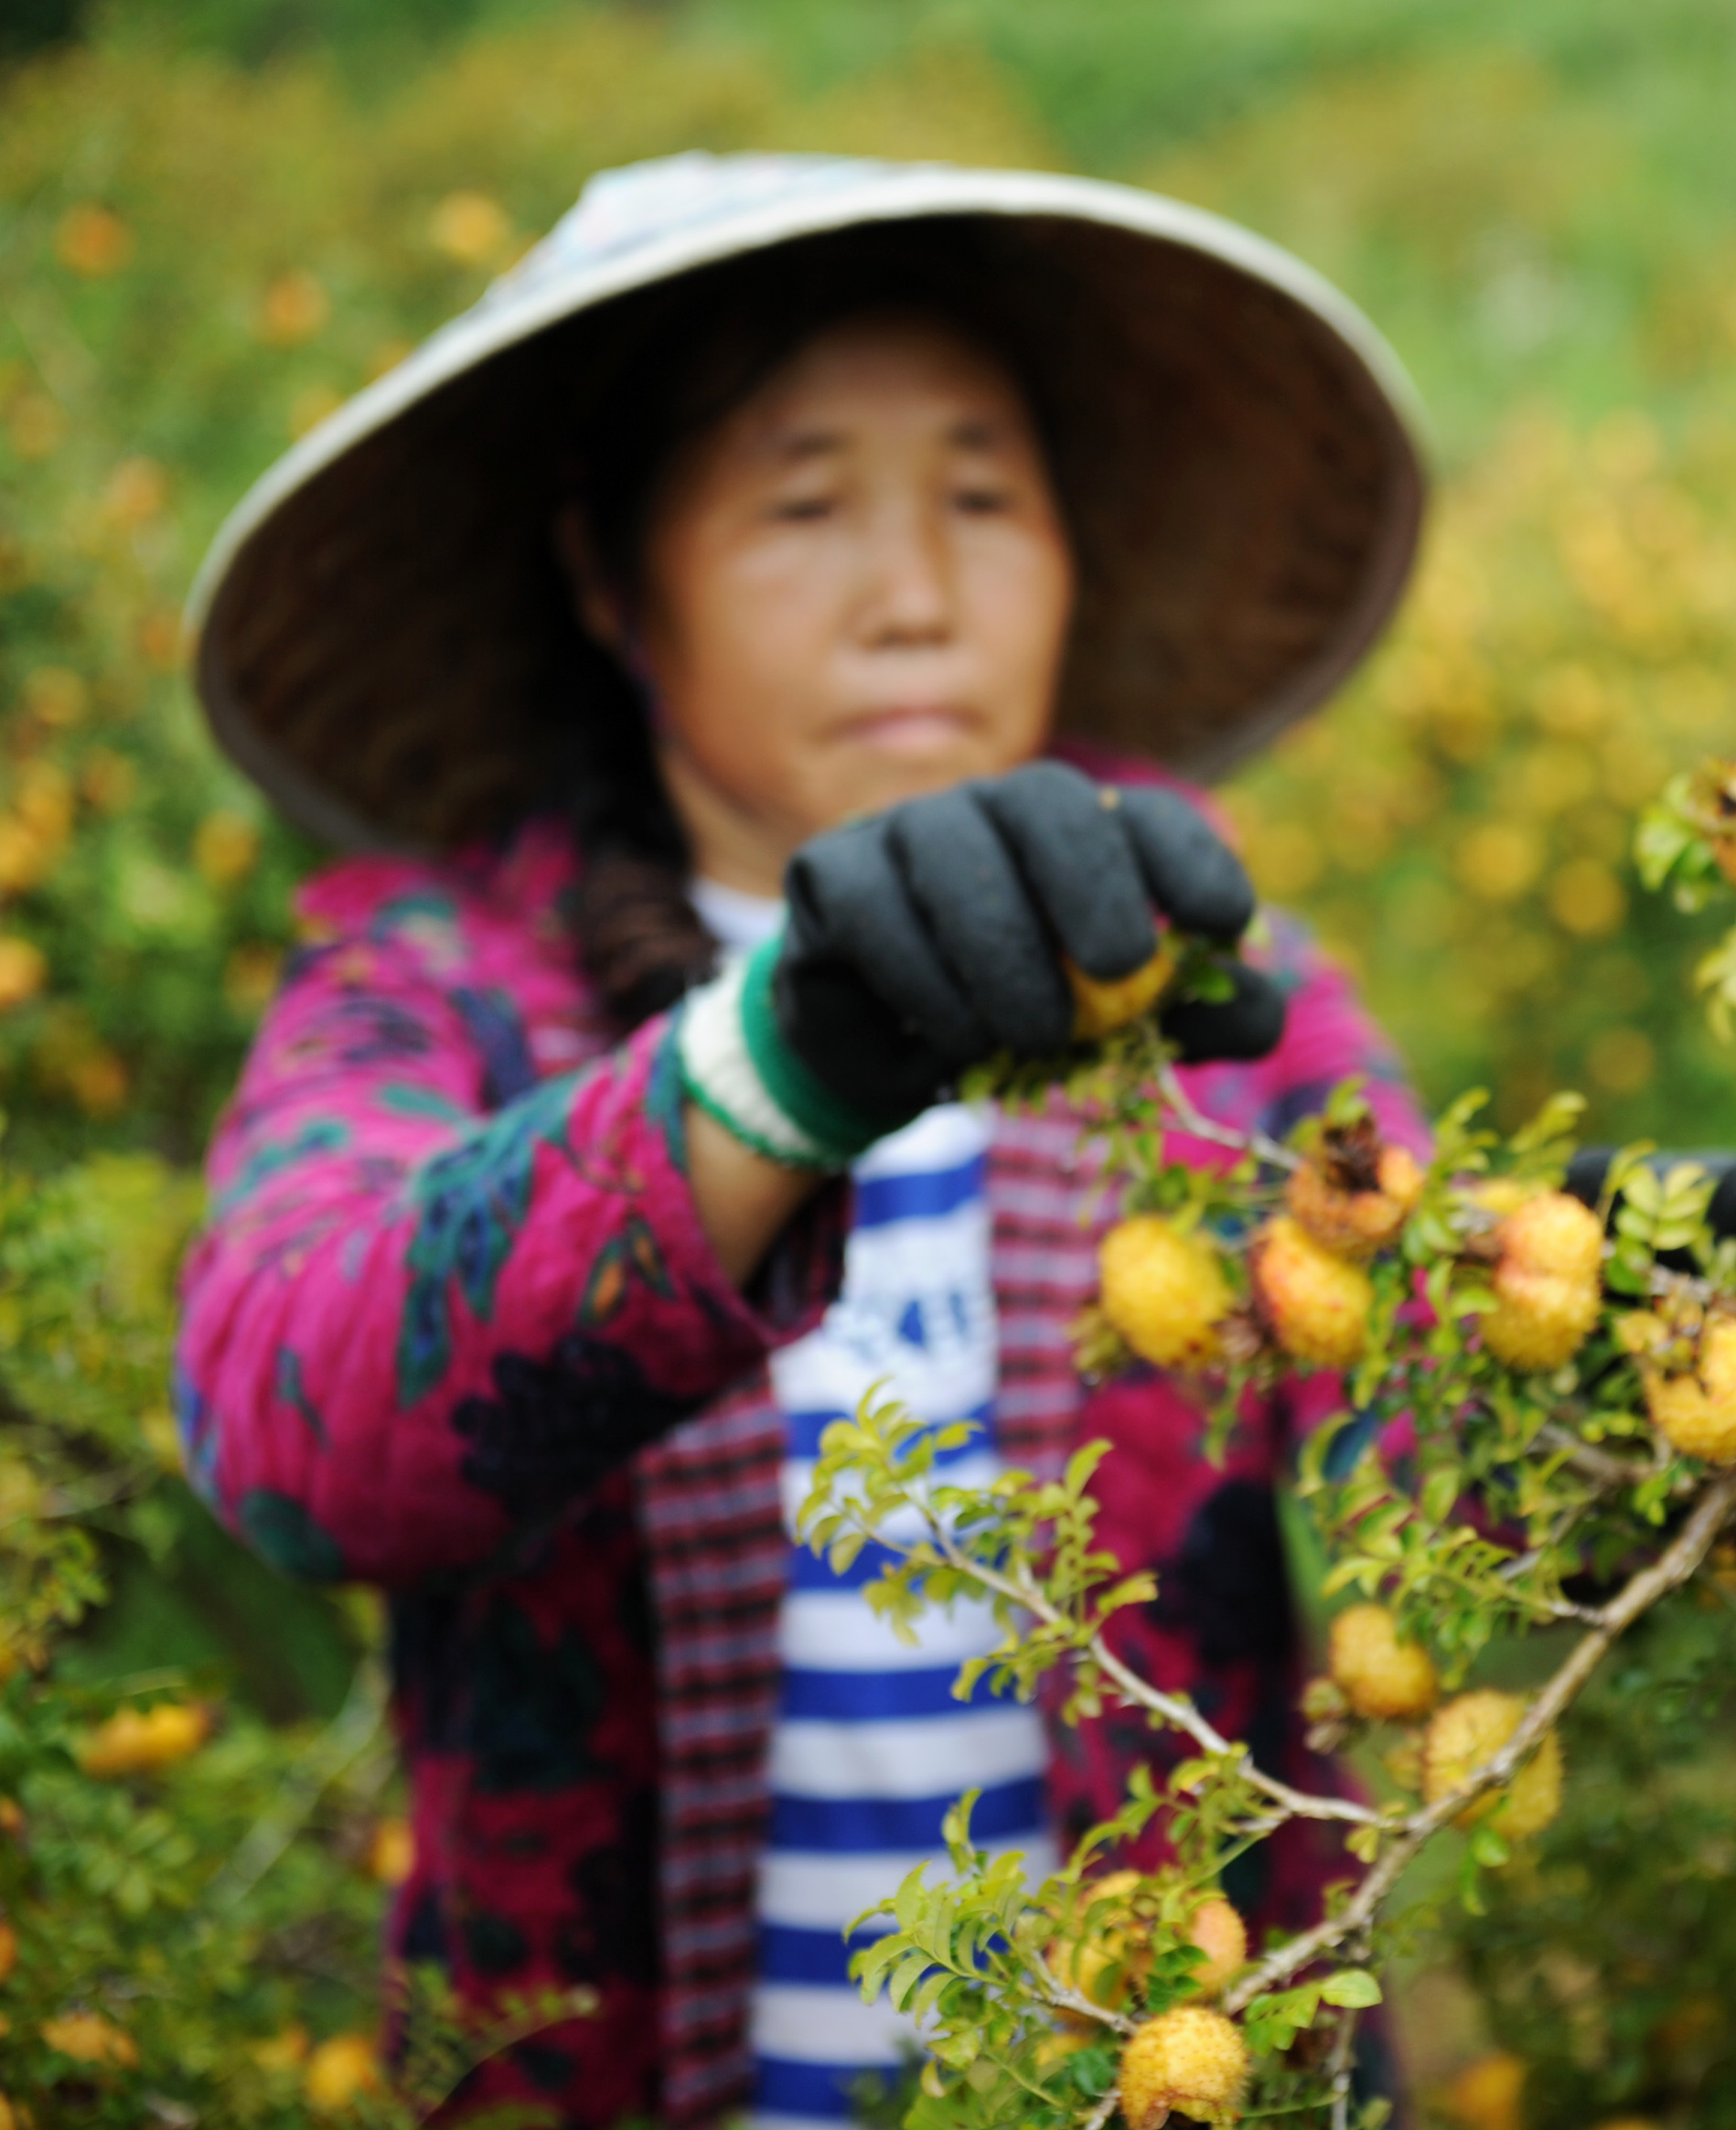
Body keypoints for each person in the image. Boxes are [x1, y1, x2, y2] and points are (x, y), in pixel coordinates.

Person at [174, 155, 1430, 2127]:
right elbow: (289, 1425)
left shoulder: (1205, 979)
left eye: (984, 498)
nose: (914, 593)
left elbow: (1423, 1416)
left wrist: (1643, 1315)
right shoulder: (439, 987)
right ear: (609, 573)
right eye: (804, 503)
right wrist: (777, 1071)